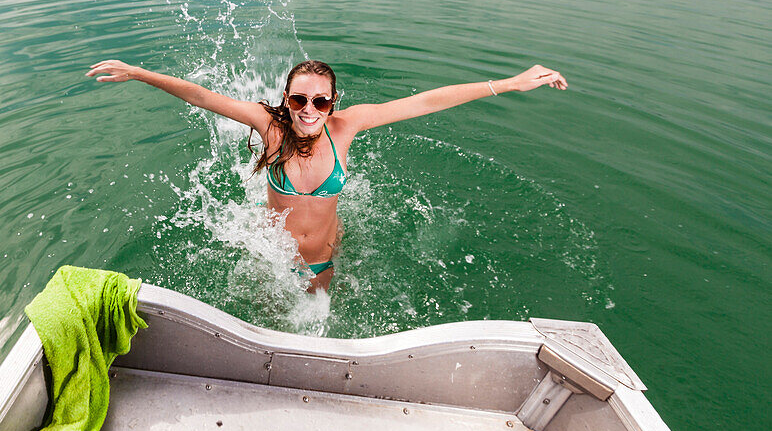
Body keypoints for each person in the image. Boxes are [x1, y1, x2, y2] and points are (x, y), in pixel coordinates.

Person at [86, 59, 567, 291]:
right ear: (286, 100)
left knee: (317, 330)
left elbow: (425, 102)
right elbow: (202, 97)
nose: (309, 110)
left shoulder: (346, 126)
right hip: (270, 255)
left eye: (320, 100)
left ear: (333, 102)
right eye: (299, 99)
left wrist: (511, 83)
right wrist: (139, 73)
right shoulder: (268, 125)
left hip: (324, 260)